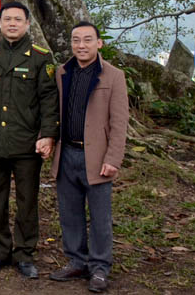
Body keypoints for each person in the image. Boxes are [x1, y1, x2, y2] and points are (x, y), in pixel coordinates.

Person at [0, 2, 59, 279]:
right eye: (7, 19)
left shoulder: (39, 57)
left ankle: (24, 253)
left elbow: (49, 100)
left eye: (18, 20)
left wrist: (47, 135)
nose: (12, 24)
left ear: (27, 24)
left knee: (27, 201)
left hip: (26, 144)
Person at [48, 21, 129, 293]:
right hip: (67, 152)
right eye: (76, 40)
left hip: (96, 156)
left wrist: (113, 158)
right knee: (70, 214)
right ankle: (76, 261)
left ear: (99, 43)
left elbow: (119, 123)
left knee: (100, 216)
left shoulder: (113, 76)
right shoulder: (62, 72)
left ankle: (99, 268)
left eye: (87, 40)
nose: (81, 45)